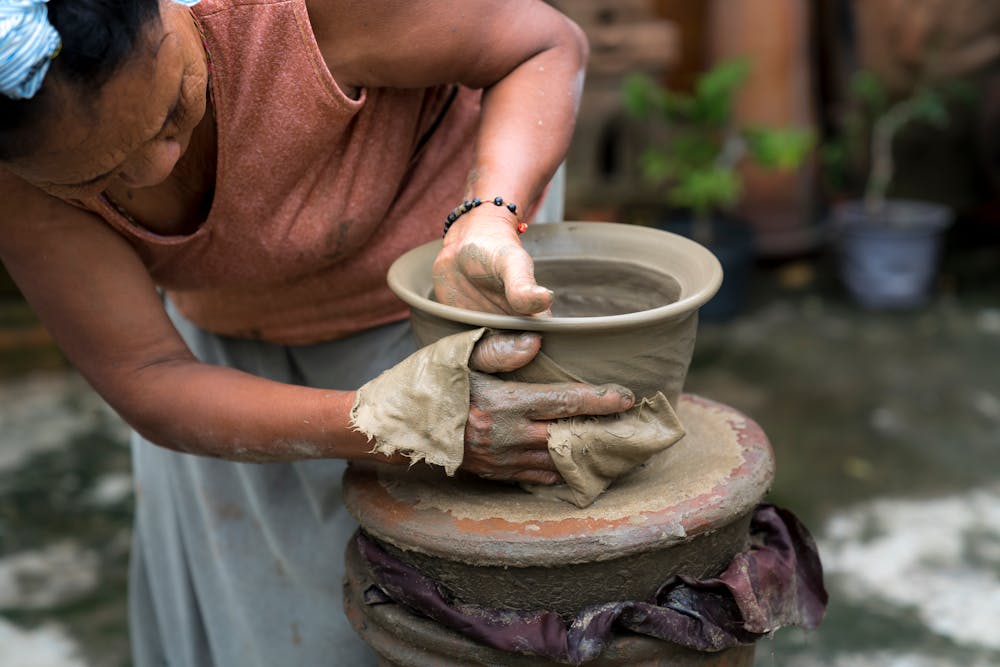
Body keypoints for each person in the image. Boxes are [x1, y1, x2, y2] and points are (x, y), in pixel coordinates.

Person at [0, 0, 638, 663]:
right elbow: (147, 372)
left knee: (489, 610)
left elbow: (543, 46)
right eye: (101, 179)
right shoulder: (14, 160)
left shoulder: (293, 11)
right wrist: (390, 424)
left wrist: (491, 211)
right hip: (237, 369)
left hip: (455, 286)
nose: (156, 170)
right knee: (291, 632)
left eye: (170, 112)